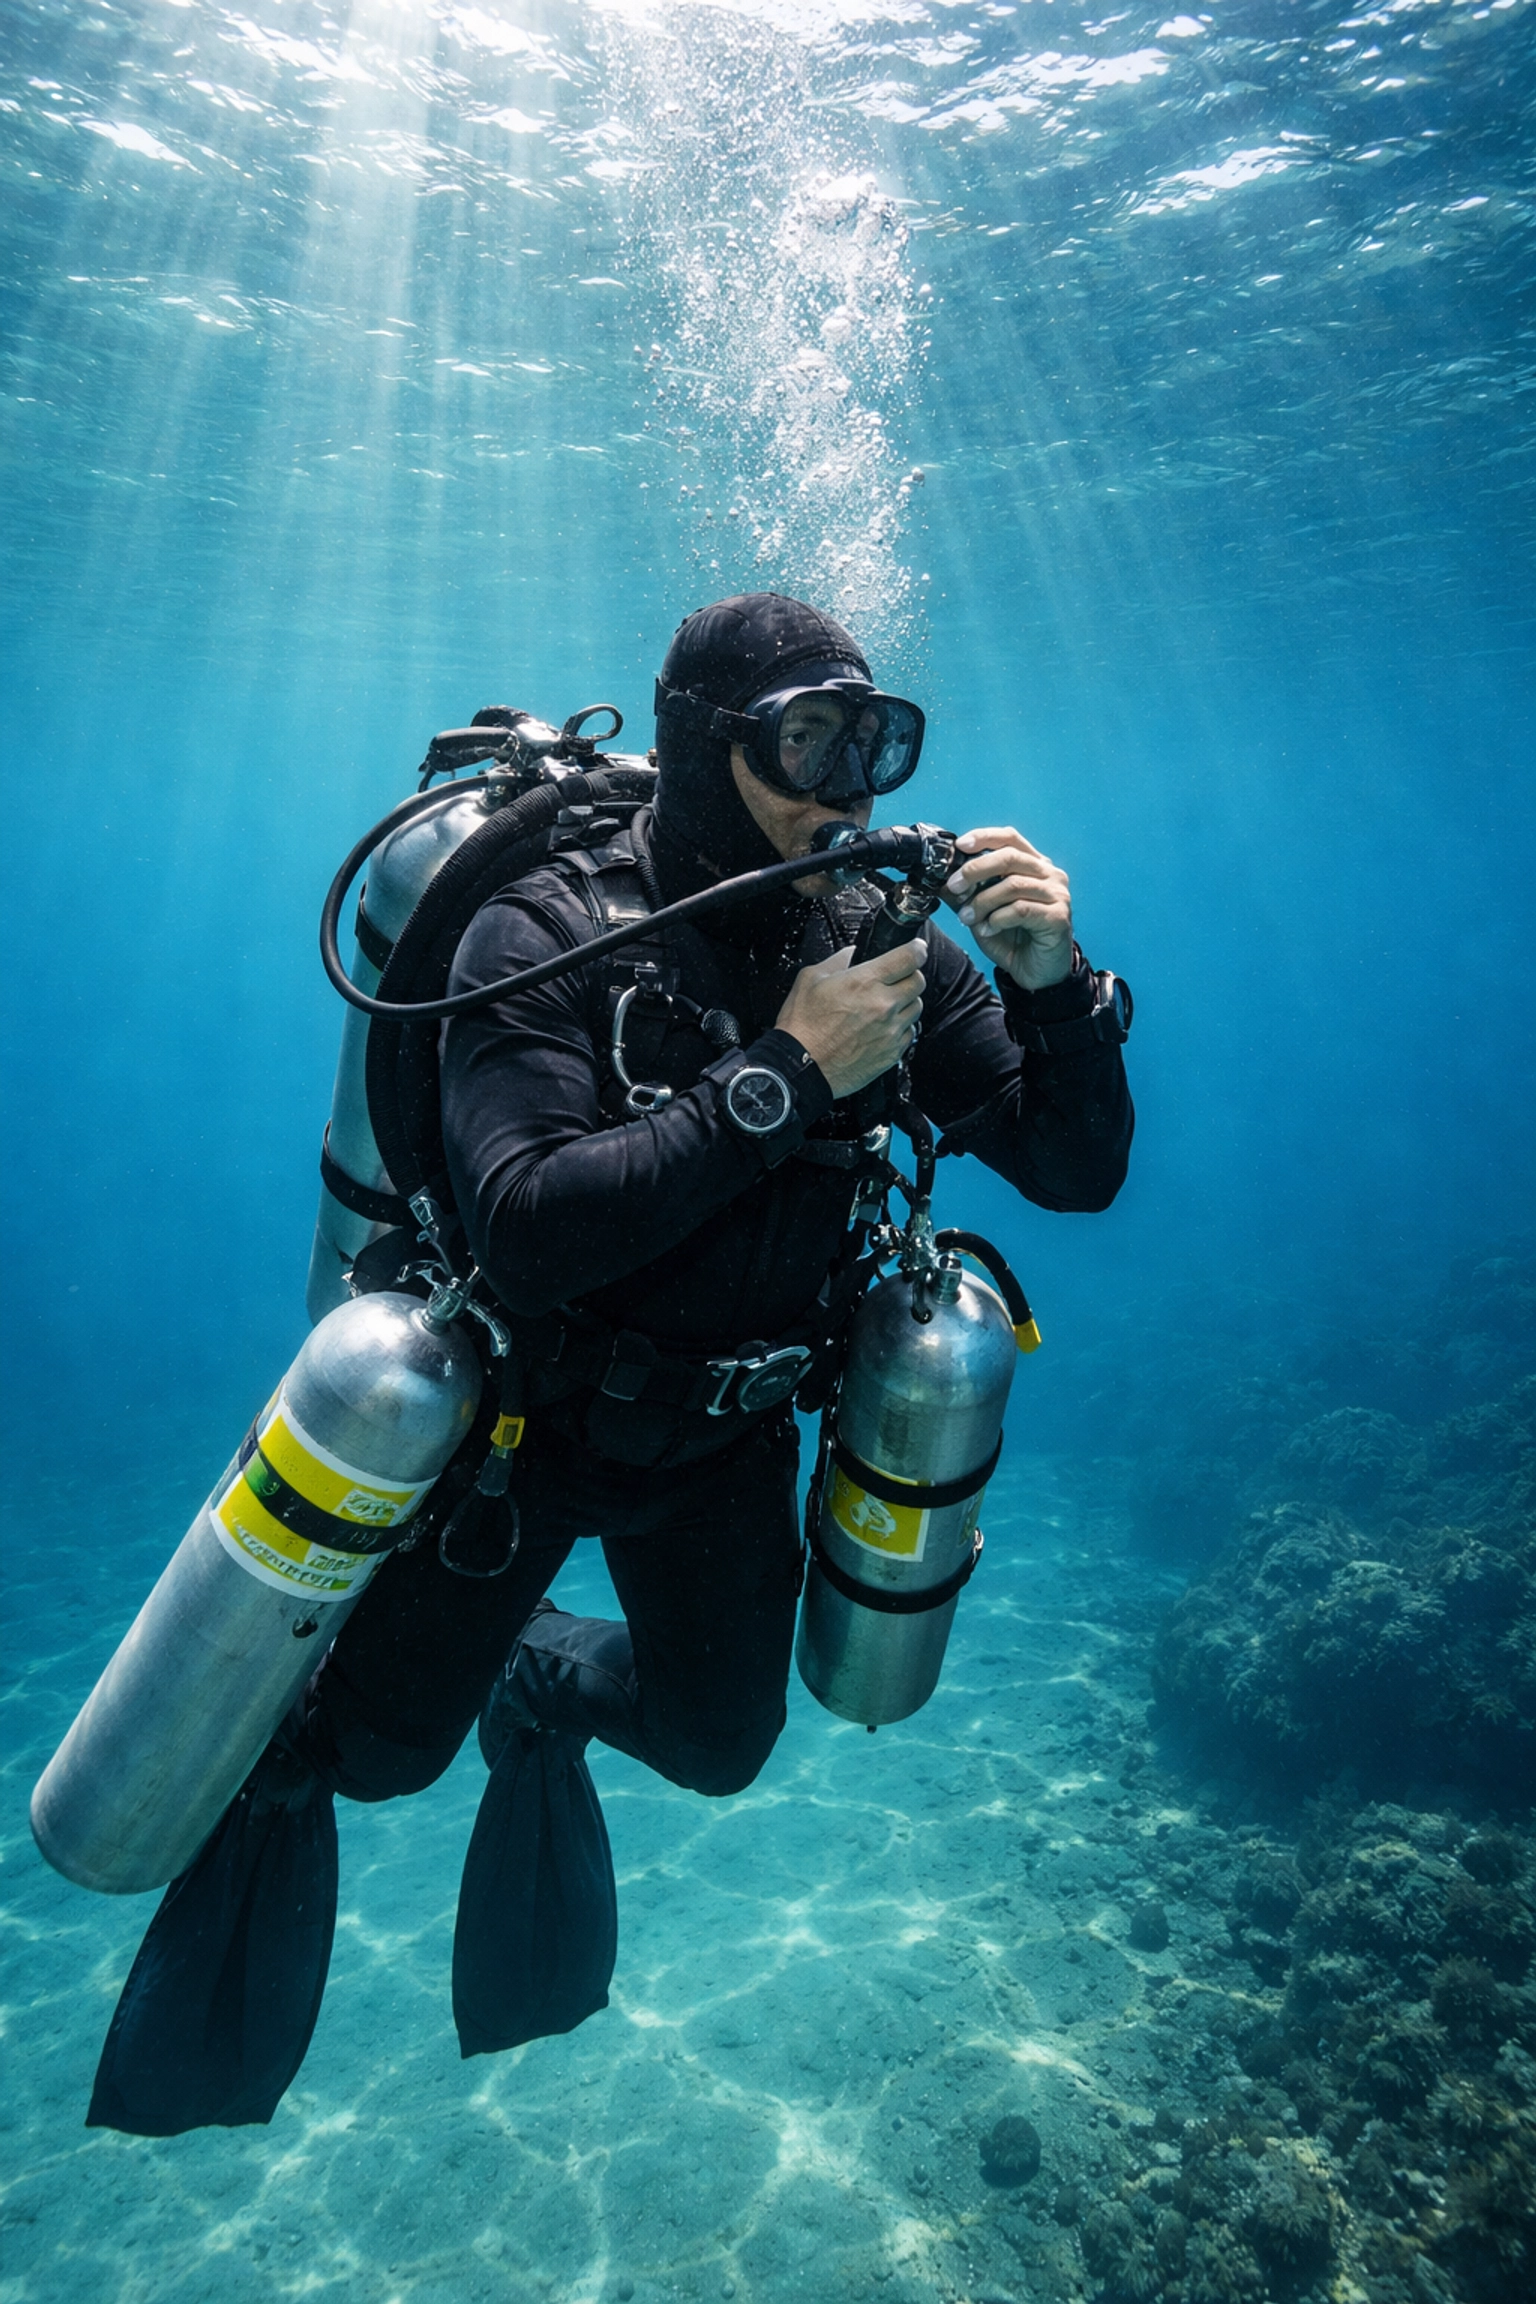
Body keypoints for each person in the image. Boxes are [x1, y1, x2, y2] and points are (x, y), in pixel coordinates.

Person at [87, 593, 1133, 2128]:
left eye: (876, 744)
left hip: (727, 1439)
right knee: (373, 1762)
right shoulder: (553, 924)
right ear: (710, 750)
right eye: (807, 743)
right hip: (522, 1428)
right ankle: (341, 1716)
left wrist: (1055, 990)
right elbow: (522, 1226)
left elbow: (1076, 1167)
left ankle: (542, 1681)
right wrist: (786, 1072)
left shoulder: (890, 951)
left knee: (720, 1748)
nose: (848, 791)